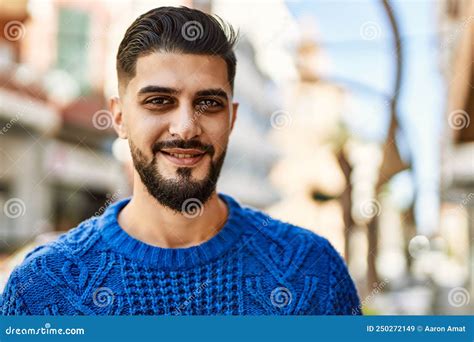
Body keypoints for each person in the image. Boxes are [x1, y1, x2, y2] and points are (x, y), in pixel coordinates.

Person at [1, 6, 361, 315]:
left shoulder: (314, 273)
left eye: (209, 103)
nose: (186, 128)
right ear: (120, 116)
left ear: (232, 119)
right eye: (159, 101)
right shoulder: (41, 288)